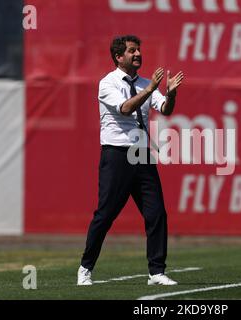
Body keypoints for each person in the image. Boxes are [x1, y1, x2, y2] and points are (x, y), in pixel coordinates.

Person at [77, 35, 183, 285]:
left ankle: (156, 272)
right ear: (118, 56)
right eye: (132, 51)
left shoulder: (148, 83)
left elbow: (165, 109)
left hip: (143, 154)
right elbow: (124, 108)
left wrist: (171, 94)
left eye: (139, 50)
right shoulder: (107, 83)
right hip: (116, 155)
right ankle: (85, 268)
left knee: (157, 213)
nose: (138, 54)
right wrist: (149, 90)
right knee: (106, 214)